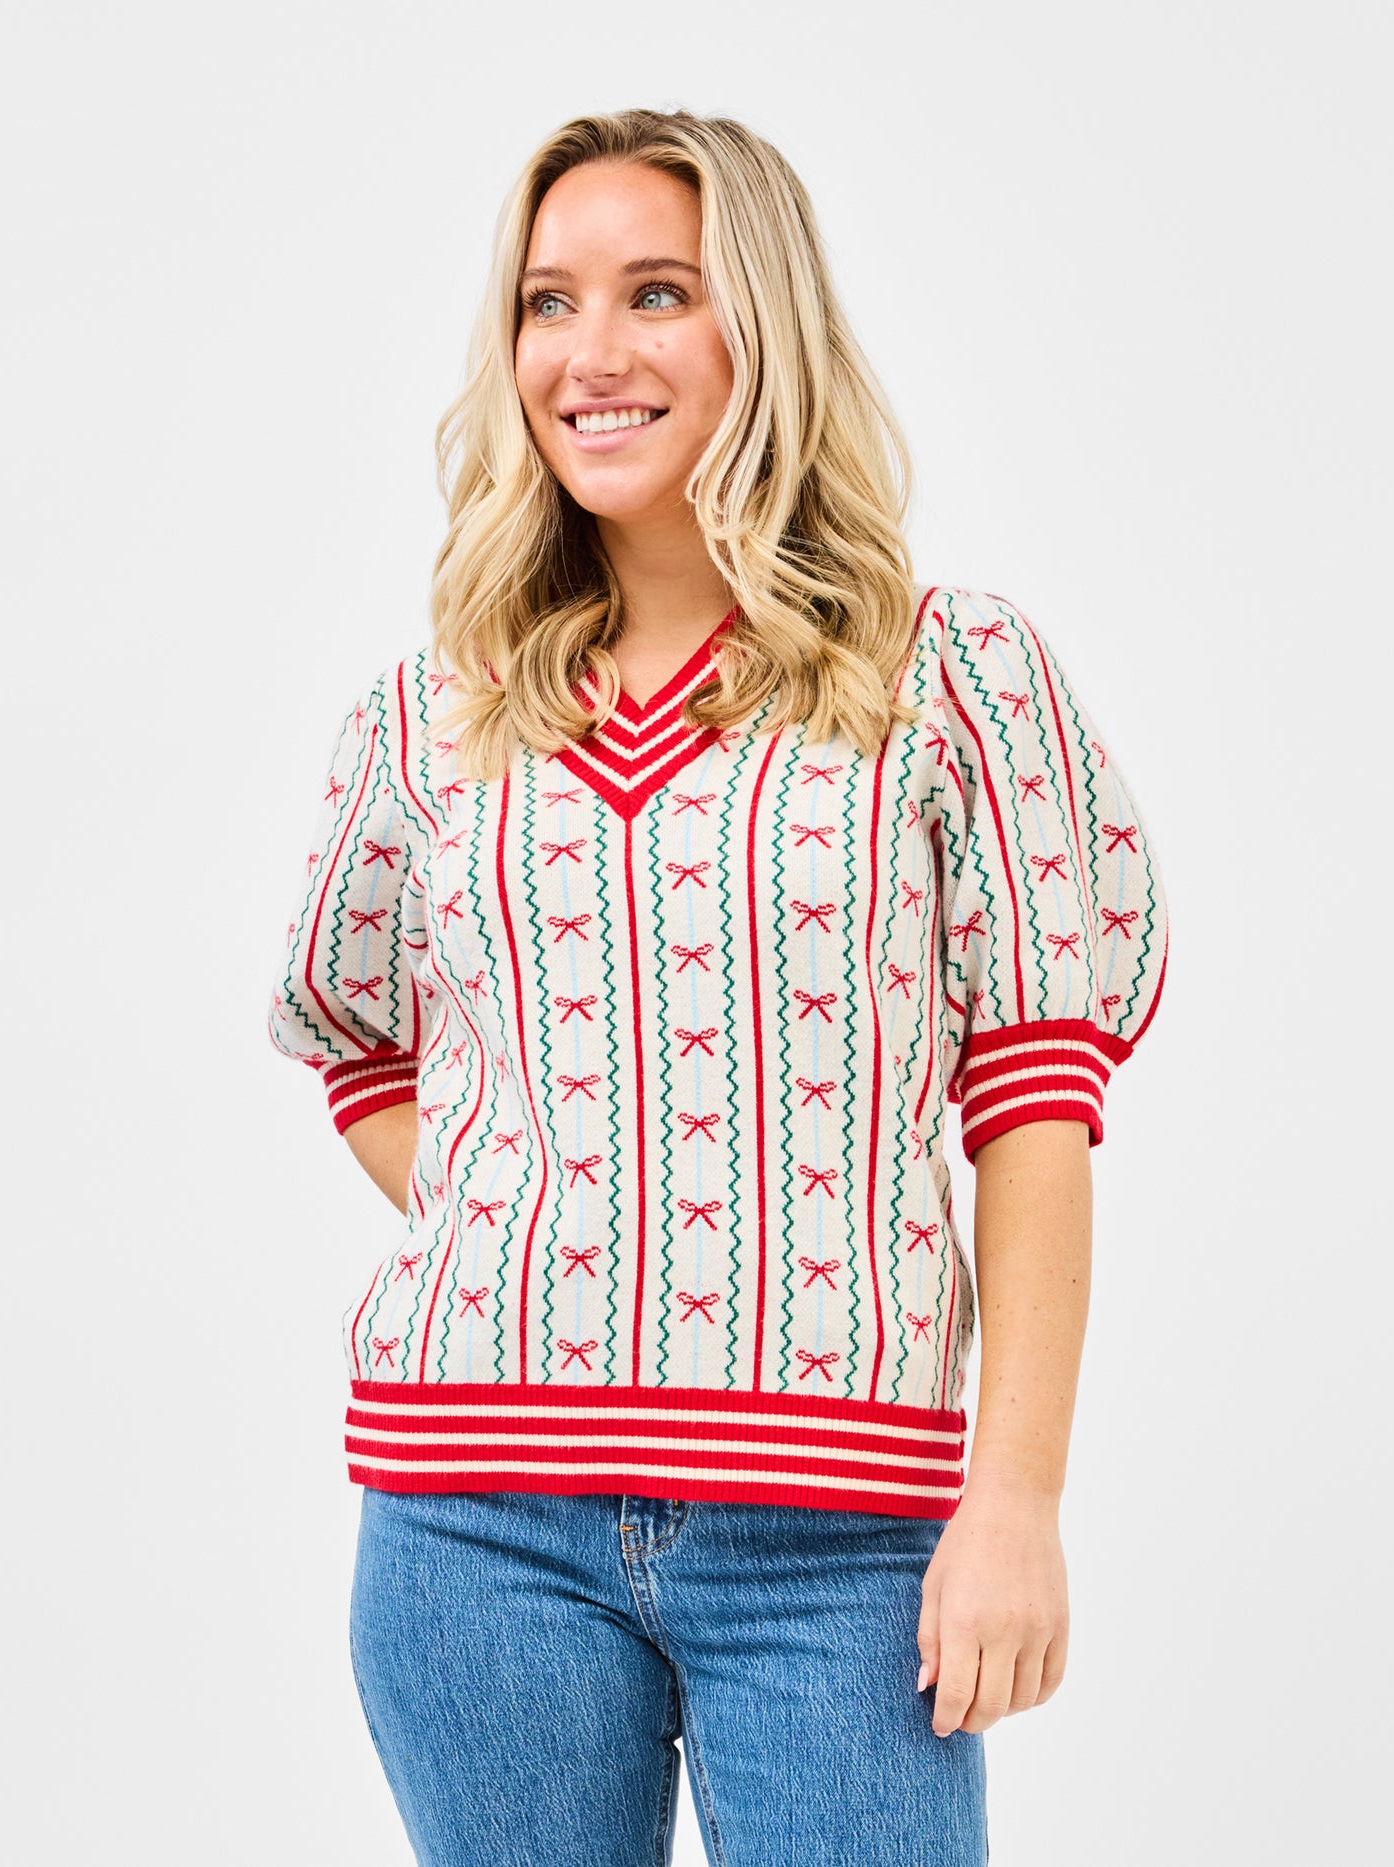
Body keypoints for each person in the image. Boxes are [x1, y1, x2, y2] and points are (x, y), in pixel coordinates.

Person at [266, 106, 1169, 1867]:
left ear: (765, 323)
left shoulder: (951, 676)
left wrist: (1016, 1499)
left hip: (845, 1542)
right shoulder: (431, 714)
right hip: (472, 1525)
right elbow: (359, 1031)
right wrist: (554, 1217)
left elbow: (1036, 1101)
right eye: (548, 302)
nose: (590, 353)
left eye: (657, 292)